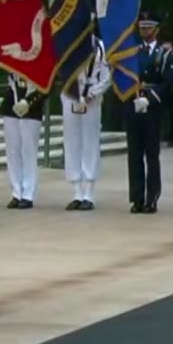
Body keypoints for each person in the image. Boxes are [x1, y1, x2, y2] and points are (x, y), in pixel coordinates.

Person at [126, 12, 173, 213]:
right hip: (134, 103)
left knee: (151, 154)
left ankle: (152, 198)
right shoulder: (132, 52)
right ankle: (137, 197)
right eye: (142, 27)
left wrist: (151, 97)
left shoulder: (164, 54)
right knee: (134, 154)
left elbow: (168, 81)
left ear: (156, 30)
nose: (144, 31)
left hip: (152, 107)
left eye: (148, 27)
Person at [61, 27, 110, 211]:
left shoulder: (100, 46)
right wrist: (73, 93)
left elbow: (106, 77)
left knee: (90, 142)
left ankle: (89, 192)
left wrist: (92, 94)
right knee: (72, 142)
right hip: (70, 95)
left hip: (92, 97)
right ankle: (76, 192)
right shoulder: (67, 44)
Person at [0, 71, 46, 209]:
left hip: (31, 104)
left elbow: (47, 84)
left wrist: (29, 100)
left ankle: (28, 194)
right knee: (12, 151)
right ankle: (16, 192)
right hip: (11, 102)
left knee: (28, 151)